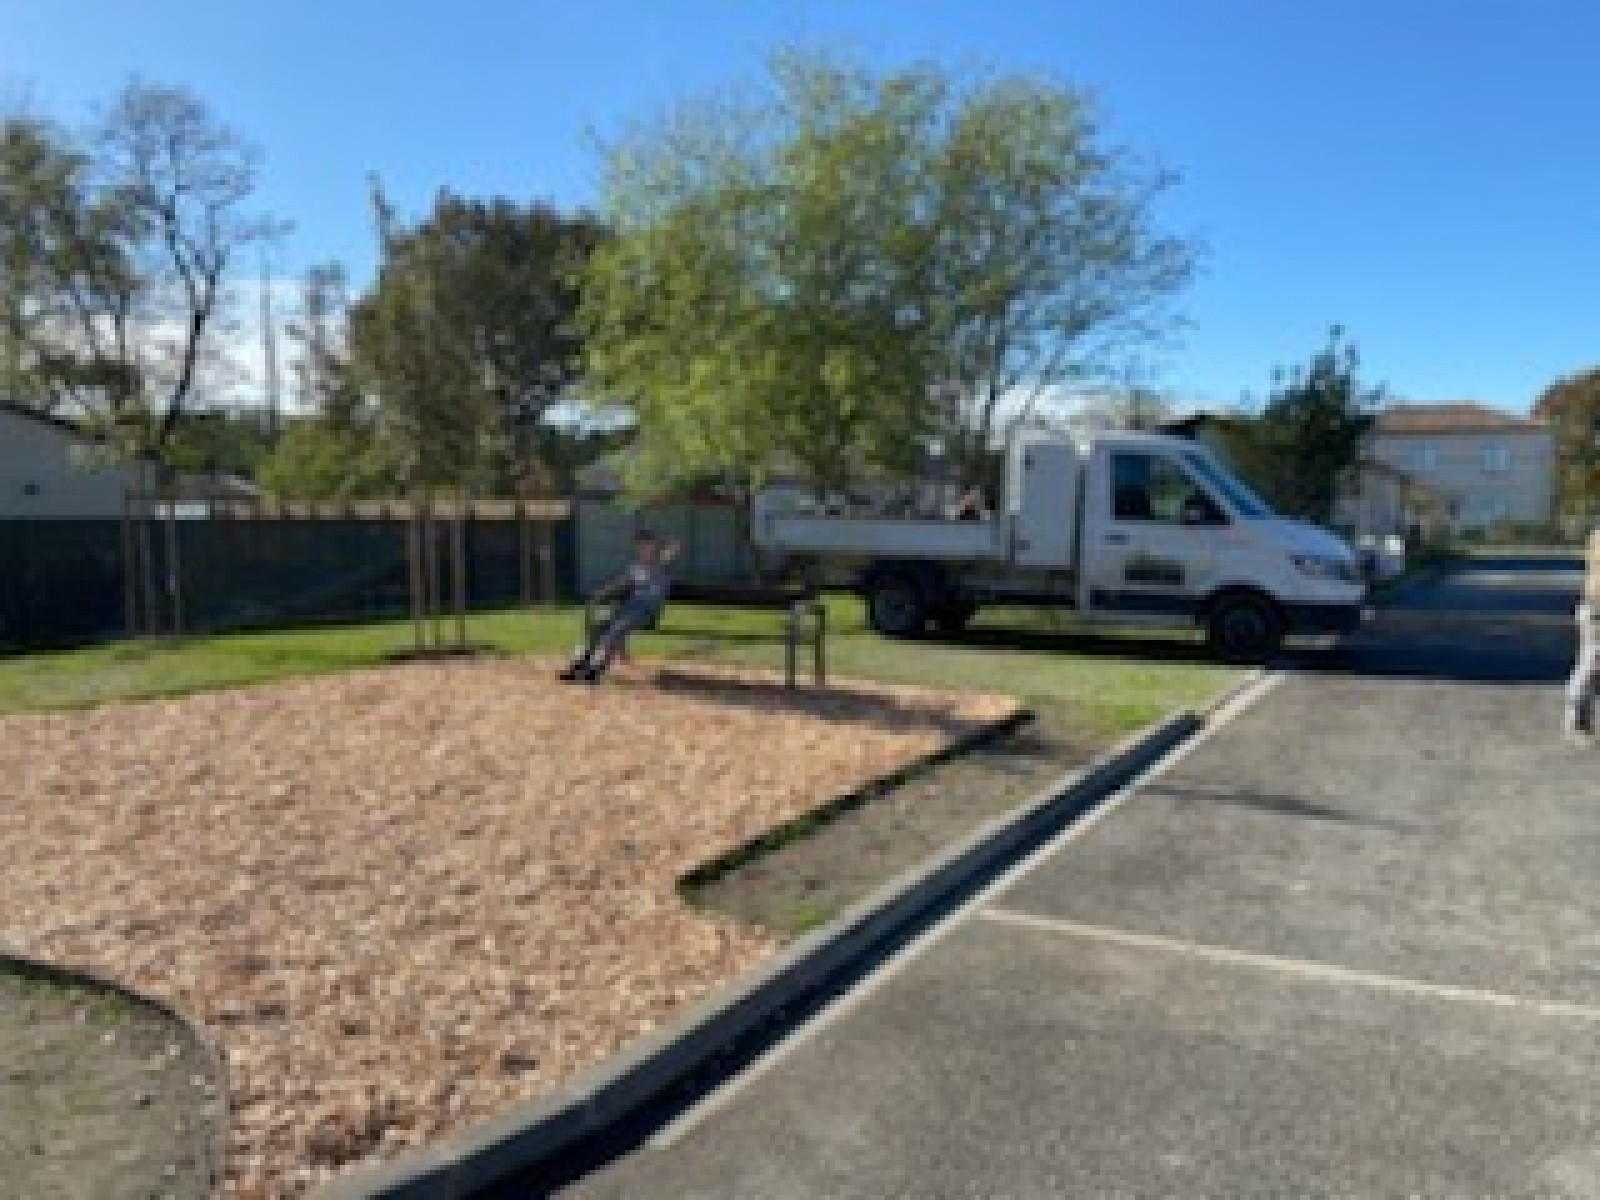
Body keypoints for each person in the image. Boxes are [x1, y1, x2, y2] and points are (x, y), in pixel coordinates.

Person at [560, 530, 681, 683]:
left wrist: (671, 547)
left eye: (647, 545)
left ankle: (596, 671)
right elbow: (621, 584)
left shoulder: (661, 564)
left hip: (645, 613)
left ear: (654, 546)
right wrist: (601, 594)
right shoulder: (635, 567)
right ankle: (579, 667)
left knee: (615, 631)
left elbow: (672, 550)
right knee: (598, 629)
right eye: (640, 546)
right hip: (627, 609)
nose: (643, 549)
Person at [1563, 524, 1600, 744]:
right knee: (1590, 664)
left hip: (1592, 608)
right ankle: (1575, 721)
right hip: (1596, 610)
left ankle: (1582, 722)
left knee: (1593, 667)